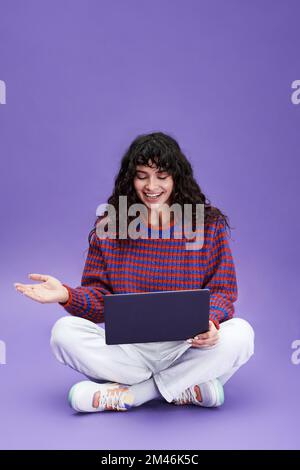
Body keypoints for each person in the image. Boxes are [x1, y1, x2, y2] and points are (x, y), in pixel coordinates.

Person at [14, 131, 254, 413]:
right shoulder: (111, 226)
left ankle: (134, 395)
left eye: (162, 175)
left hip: (187, 348)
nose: (151, 185)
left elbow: (223, 290)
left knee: (241, 335)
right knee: (63, 333)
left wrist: (211, 323)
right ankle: (186, 387)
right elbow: (99, 301)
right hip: (130, 352)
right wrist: (65, 294)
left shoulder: (206, 224)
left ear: (177, 177)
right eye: (142, 175)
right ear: (131, 179)